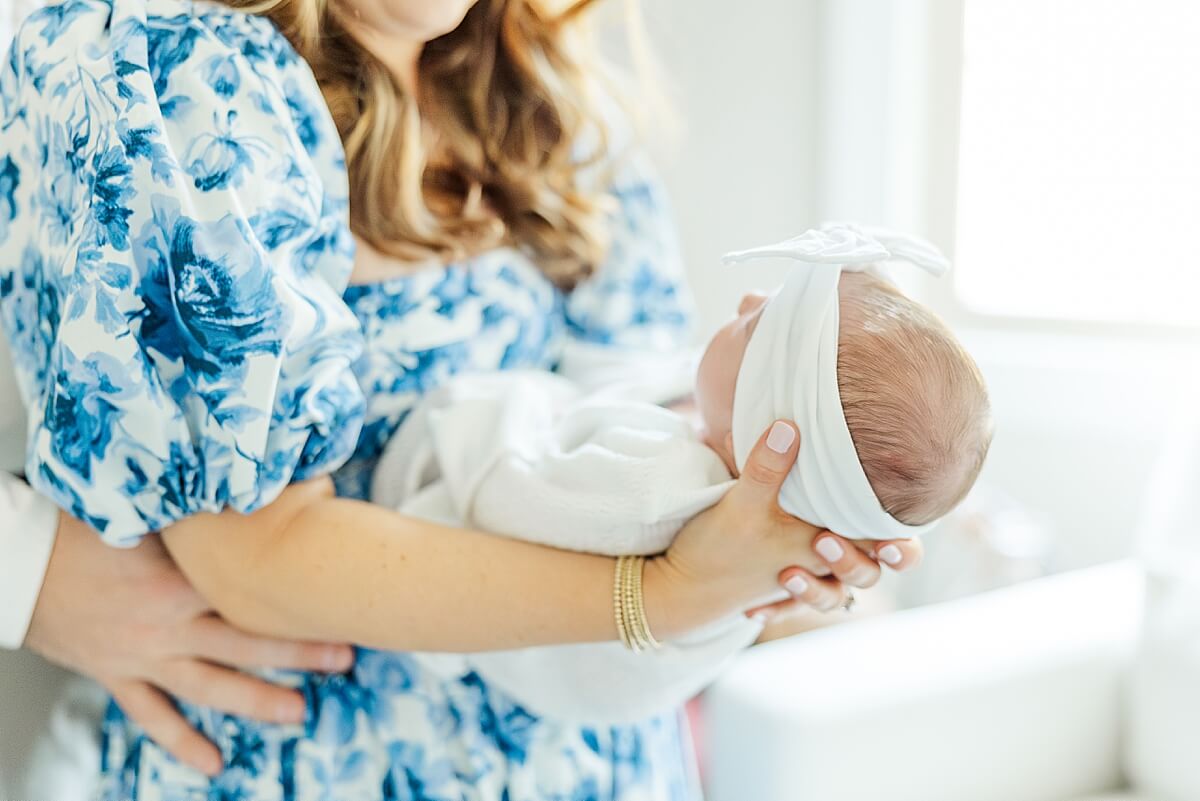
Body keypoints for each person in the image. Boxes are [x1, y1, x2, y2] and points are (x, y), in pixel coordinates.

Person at [0, 0, 923, 798]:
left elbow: (665, 424)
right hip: (305, 761)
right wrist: (664, 596)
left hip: (601, 764)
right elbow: (254, 554)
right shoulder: (179, 78)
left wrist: (771, 534)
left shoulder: (554, 98)